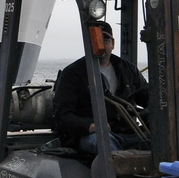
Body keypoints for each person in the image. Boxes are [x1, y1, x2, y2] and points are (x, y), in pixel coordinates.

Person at [52, 20, 149, 157]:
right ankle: (116, 175)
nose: (101, 45)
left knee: (158, 139)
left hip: (127, 133)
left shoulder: (127, 69)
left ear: (113, 44)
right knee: (104, 142)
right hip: (92, 136)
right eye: (96, 40)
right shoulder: (73, 73)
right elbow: (62, 115)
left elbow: (148, 98)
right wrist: (90, 125)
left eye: (106, 40)